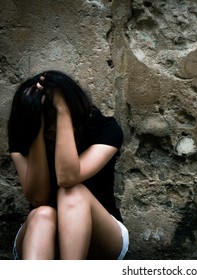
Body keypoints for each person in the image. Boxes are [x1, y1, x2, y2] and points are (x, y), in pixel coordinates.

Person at [7, 70, 129, 260]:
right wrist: (36, 131)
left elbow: (68, 177)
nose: (50, 133)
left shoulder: (105, 130)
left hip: (102, 236)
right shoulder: (23, 136)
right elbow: (39, 198)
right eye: (44, 126)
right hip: (42, 235)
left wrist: (62, 109)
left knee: (72, 192)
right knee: (42, 214)